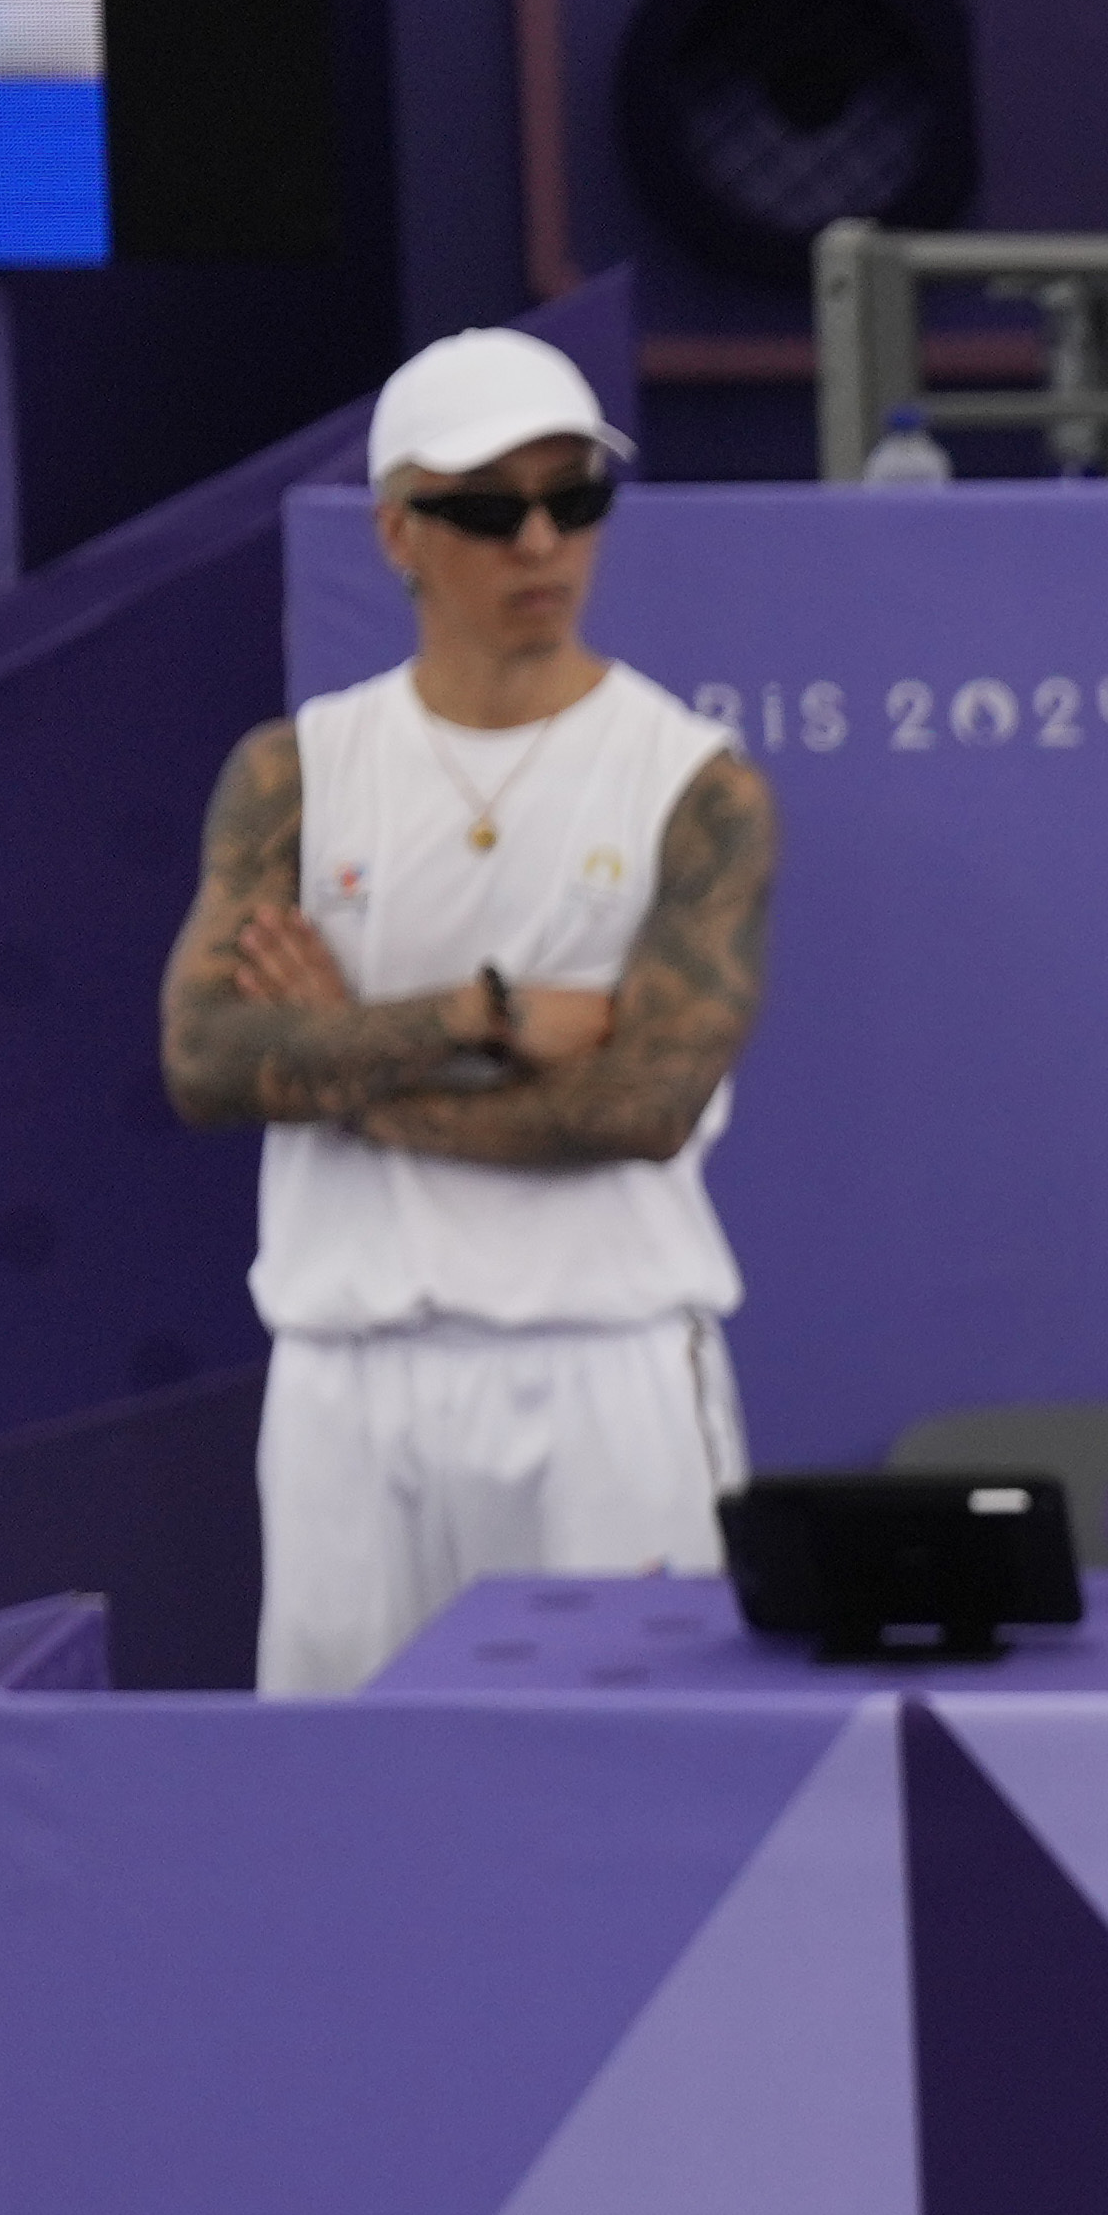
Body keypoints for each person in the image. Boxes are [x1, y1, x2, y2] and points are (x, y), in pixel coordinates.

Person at [160, 331, 772, 1699]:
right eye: (491, 510)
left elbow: (638, 1109)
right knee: (343, 1807)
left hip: (604, 1371)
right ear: (399, 533)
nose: (541, 542)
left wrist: (340, 1064)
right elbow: (205, 1062)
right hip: (351, 1376)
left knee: (632, 1797)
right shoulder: (297, 774)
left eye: (575, 501)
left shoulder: (695, 784)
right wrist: (481, 1014)